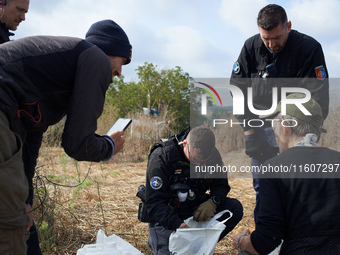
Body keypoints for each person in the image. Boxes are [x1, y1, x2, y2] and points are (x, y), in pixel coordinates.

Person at [0, 19, 132, 254]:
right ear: (106, 51)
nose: (120, 73)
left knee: (19, 215)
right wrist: (110, 145)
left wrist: (26, 200)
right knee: (11, 225)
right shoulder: (95, 59)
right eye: (122, 61)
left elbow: (29, 145)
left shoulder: (55, 73)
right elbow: (77, 144)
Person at [230, 4, 329, 221]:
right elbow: (237, 90)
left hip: (296, 130)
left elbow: (319, 98)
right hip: (261, 129)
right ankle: (265, 241)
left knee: (299, 189)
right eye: (266, 38)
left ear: (288, 27)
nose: (271, 44)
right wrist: (249, 131)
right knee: (264, 188)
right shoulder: (250, 47)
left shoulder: (309, 49)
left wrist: (301, 137)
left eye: (276, 38)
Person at [232, 93, 340, 254]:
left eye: (274, 127)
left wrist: (242, 241)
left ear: (285, 126)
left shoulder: (273, 168)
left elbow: (266, 241)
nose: (274, 133)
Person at [144, 126, 243, 254]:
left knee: (234, 208)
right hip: (167, 214)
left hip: (195, 209)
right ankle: (156, 240)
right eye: (195, 160)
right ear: (185, 144)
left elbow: (221, 184)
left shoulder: (213, 154)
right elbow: (154, 203)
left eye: (204, 162)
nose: (199, 166)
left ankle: (201, 243)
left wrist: (213, 202)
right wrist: (180, 227)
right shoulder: (162, 156)